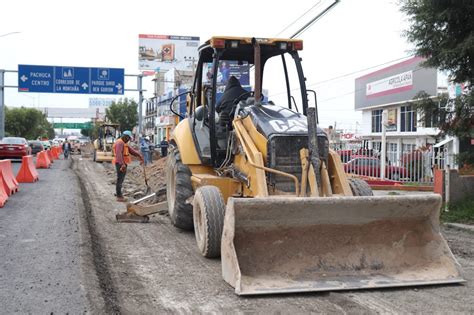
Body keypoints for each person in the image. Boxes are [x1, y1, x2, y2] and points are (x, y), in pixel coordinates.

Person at [112, 131, 143, 202]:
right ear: (125, 136)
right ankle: (119, 196)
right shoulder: (119, 143)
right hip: (120, 163)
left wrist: (138, 155)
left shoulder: (124, 143)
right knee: (120, 179)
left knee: (121, 179)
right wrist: (122, 164)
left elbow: (131, 151)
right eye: (128, 138)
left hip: (122, 163)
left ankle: (118, 193)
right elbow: (118, 154)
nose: (129, 140)